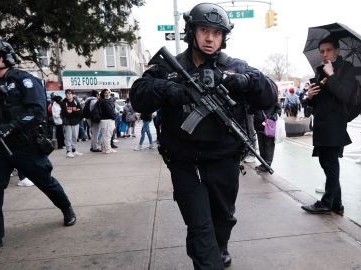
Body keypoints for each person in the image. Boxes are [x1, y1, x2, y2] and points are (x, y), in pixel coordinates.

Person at [129, 3, 277, 269]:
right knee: (199, 226)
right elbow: (138, 95)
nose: (210, 38)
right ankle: (209, 258)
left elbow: (270, 94)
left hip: (224, 161)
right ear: (192, 31)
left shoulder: (235, 66)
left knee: (223, 219)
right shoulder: (168, 67)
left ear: (223, 37)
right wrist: (168, 89)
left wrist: (248, 82)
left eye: (217, 33)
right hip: (185, 162)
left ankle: (218, 247)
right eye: (204, 30)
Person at [0, 38, 76, 258]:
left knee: (45, 181)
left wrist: (10, 126)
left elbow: (37, 111)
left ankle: (66, 207)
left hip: (25, 146)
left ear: (5, 57)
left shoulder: (24, 80)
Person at [300, 36, 356, 215]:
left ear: (337, 50)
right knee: (326, 163)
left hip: (335, 125)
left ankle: (326, 203)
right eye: (322, 51)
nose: (325, 54)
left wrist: (332, 75)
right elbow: (314, 104)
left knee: (331, 164)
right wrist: (309, 97)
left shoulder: (346, 69)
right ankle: (336, 204)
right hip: (321, 125)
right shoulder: (319, 71)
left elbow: (345, 95)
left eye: (328, 50)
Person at [251, 102, 281, 172]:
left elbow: (278, 108)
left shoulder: (271, 95)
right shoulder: (255, 97)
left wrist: (274, 116)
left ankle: (267, 164)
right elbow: (250, 111)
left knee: (269, 145)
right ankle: (263, 163)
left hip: (269, 123)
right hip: (259, 124)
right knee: (261, 145)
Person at [60, 89, 84, 158]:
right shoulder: (63, 102)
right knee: (68, 137)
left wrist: (71, 111)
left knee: (75, 137)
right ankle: (68, 151)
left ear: (72, 95)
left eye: (69, 93)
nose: (68, 95)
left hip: (76, 123)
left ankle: (74, 150)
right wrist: (75, 111)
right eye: (66, 93)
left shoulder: (76, 102)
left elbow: (80, 112)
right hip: (67, 123)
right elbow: (65, 113)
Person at [97, 89, 116, 154]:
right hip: (107, 120)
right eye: (106, 93)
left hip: (104, 120)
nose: (107, 94)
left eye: (108, 93)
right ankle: (108, 149)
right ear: (103, 94)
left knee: (105, 135)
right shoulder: (104, 101)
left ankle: (105, 148)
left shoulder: (101, 101)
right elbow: (110, 111)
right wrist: (114, 116)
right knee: (107, 136)